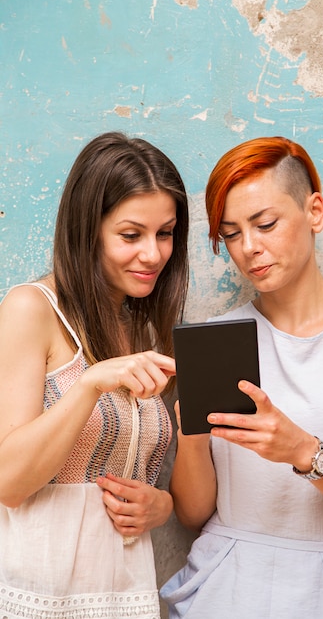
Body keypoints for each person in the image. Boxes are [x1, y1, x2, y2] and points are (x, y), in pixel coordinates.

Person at [160, 136, 323, 618]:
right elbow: (193, 514)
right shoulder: (213, 341)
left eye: (266, 224)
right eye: (232, 234)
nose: (250, 248)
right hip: (224, 590)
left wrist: (303, 451)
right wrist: (190, 434)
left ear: (314, 211)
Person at [0, 131, 189, 619]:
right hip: (38, 592)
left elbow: (131, 472)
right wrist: (89, 383)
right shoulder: (31, 309)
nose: (152, 254)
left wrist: (160, 506)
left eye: (165, 233)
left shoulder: (143, 326)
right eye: (131, 235)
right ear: (88, 229)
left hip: (126, 592)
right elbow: (9, 481)